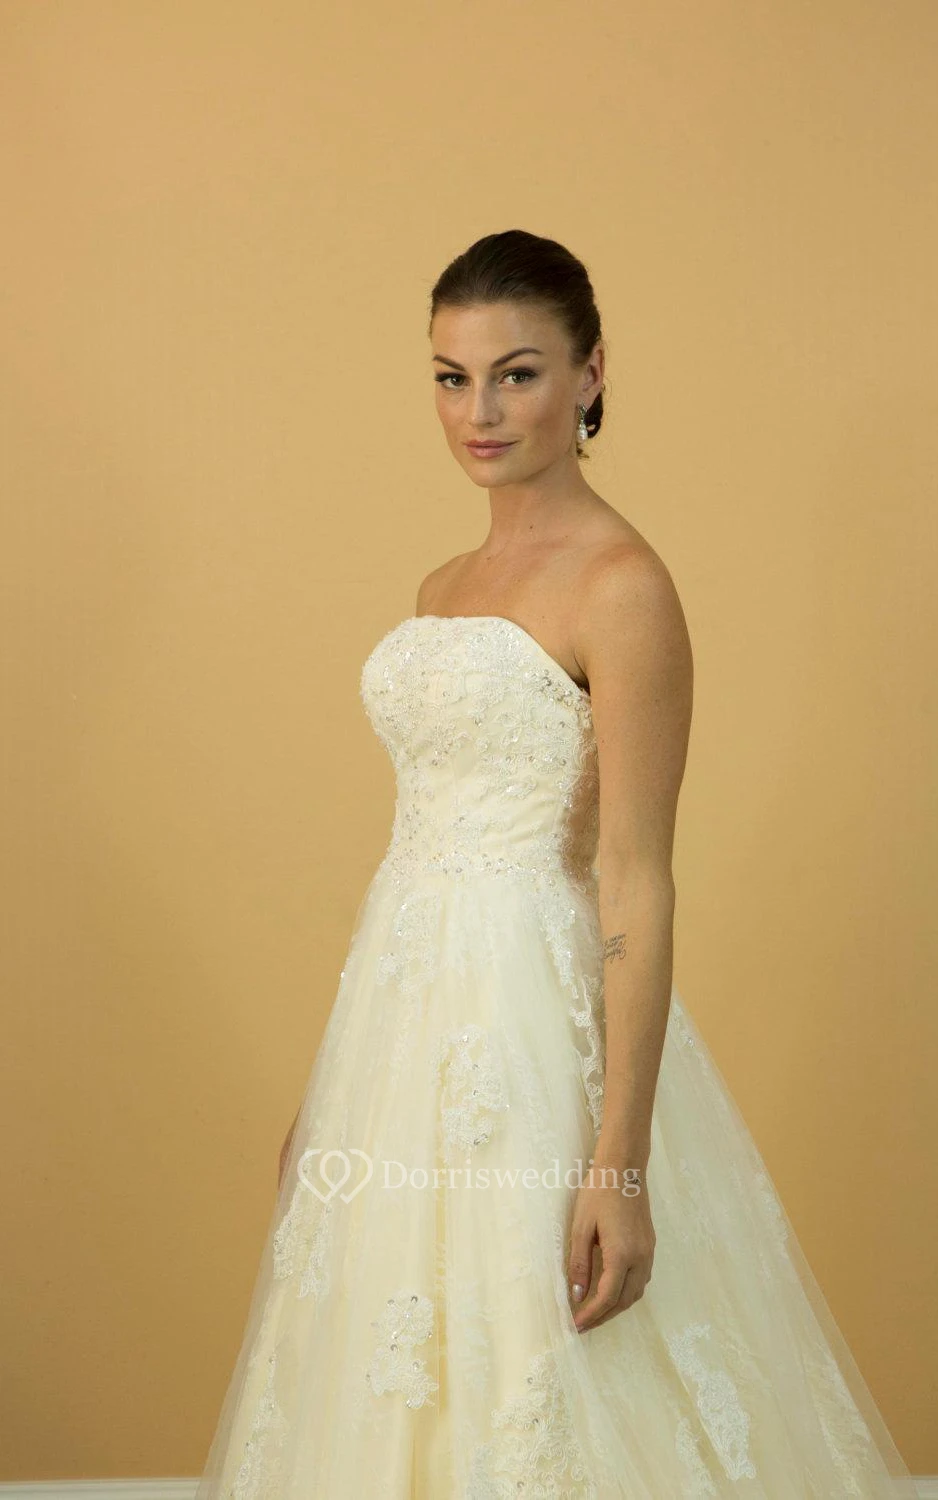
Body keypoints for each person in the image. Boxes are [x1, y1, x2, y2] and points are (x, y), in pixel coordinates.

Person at [194, 230, 915, 1496]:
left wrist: (617, 1166)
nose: (478, 411)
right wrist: (333, 1090)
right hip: (398, 1032)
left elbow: (633, 875)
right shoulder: (441, 586)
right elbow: (416, 846)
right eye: (450, 377)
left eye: (515, 374)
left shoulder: (621, 586)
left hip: (531, 1026)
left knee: (546, 1366)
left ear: (588, 375)